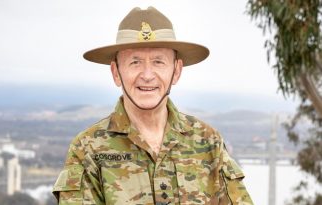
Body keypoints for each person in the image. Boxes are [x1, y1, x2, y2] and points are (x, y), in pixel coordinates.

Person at [52, 6, 253, 205]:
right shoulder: (88, 148)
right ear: (116, 73)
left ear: (176, 71)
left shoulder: (208, 141)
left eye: (158, 62)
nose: (147, 75)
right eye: (135, 62)